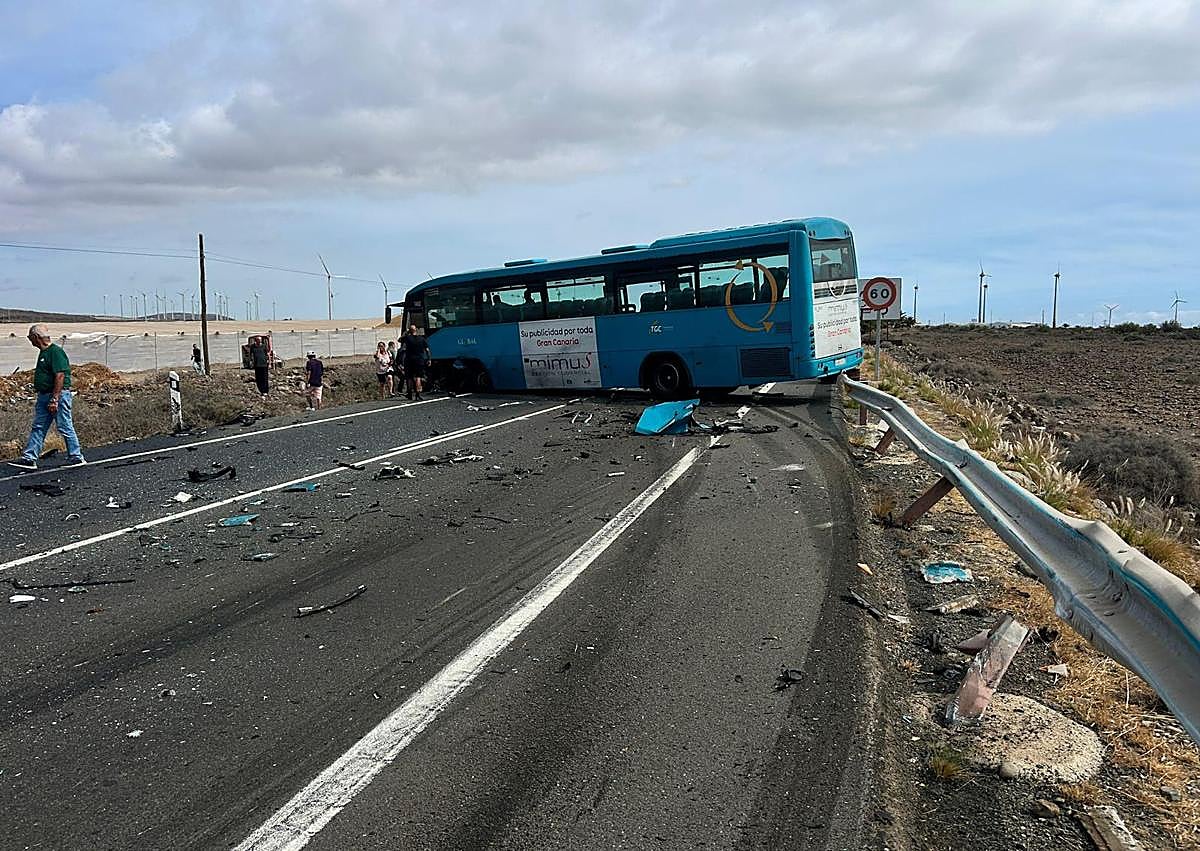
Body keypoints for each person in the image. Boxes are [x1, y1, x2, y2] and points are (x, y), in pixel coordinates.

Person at [8, 324, 85, 470]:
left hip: (57, 395)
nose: (29, 340)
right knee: (38, 426)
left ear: (36, 337)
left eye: (30, 337)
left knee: (64, 425)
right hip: (44, 395)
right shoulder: (43, 353)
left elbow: (60, 375)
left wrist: (55, 398)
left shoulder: (55, 352)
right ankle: (29, 458)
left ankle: (76, 456)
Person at [400, 324, 430, 400]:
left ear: (409, 331)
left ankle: (409, 393)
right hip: (419, 360)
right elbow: (427, 350)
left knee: (409, 377)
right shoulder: (422, 339)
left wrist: (406, 333)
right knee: (418, 377)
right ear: (416, 330)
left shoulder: (407, 338)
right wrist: (429, 359)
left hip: (409, 360)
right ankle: (418, 393)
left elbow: (399, 340)